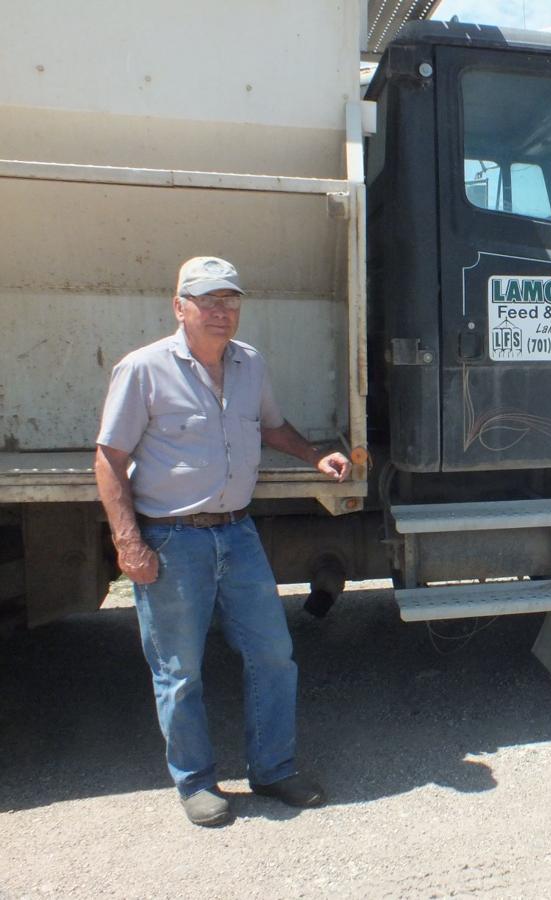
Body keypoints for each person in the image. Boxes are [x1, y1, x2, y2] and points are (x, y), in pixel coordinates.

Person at [95, 256, 350, 827]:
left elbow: (270, 426)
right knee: (179, 669)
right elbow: (110, 457)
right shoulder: (143, 369)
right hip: (171, 538)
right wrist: (128, 542)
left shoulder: (250, 364)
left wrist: (314, 454)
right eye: (207, 301)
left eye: (229, 301)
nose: (220, 312)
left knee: (273, 656)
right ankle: (195, 782)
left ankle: (274, 769)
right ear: (179, 306)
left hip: (238, 534)